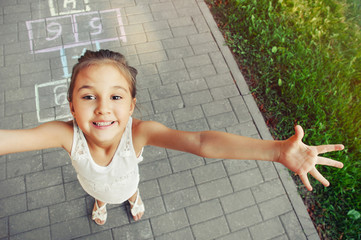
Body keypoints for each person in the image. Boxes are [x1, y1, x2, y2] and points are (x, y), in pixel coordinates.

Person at [0, 49, 344, 226]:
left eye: (116, 97)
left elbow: (201, 143)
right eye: (89, 96)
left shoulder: (139, 133)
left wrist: (274, 151)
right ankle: (102, 203)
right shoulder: (64, 134)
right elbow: (10, 140)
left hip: (128, 177)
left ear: (132, 105)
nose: (103, 108)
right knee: (98, 191)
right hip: (92, 184)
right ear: (72, 107)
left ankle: (132, 198)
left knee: (130, 185)